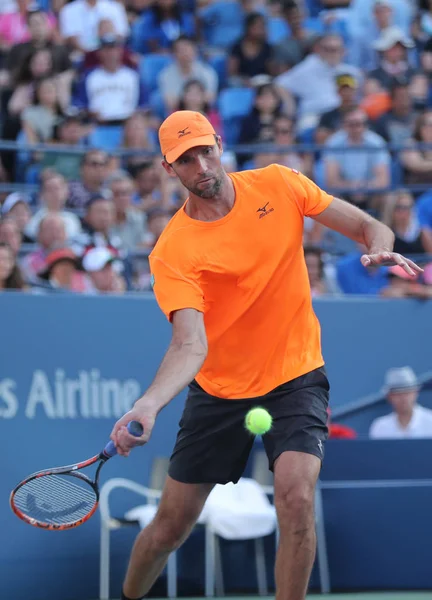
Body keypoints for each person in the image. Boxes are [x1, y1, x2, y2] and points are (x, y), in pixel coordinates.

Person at [109, 109, 422, 600]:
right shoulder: (173, 252)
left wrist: (380, 248)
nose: (201, 166)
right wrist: (148, 405)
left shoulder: (280, 184)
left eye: (205, 151)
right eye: (185, 160)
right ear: (170, 170)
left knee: (296, 499)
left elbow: (368, 226)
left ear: (219, 143)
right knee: (171, 526)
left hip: (295, 374)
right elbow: (191, 343)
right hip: (219, 390)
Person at [369, 367, 432, 438]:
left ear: (416, 393)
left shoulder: (430, 421)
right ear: (389, 397)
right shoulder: (380, 426)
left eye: (407, 393)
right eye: (398, 394)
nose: (403, 398)